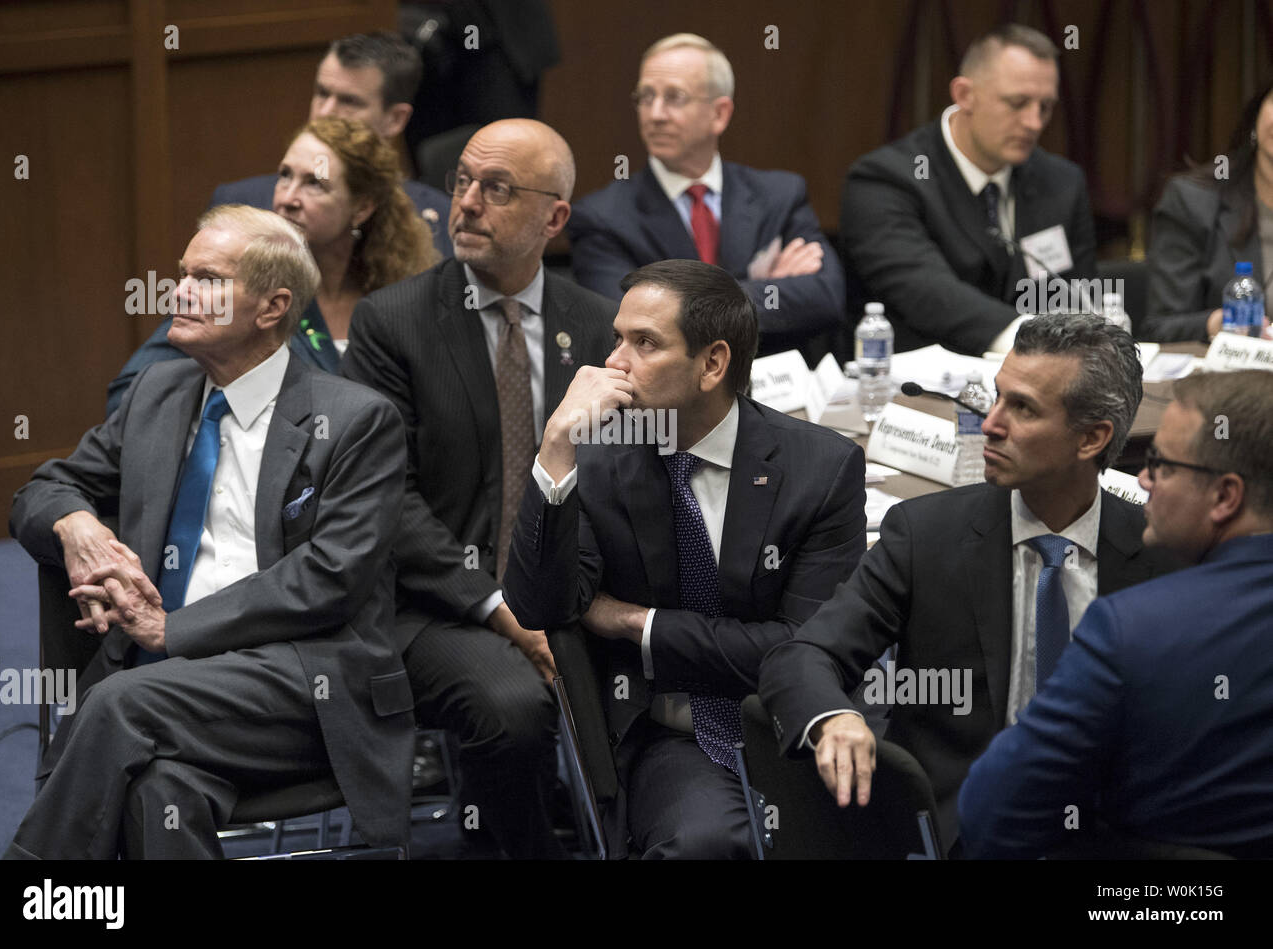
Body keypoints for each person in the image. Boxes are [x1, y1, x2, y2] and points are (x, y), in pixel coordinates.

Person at [5, 206, 413, 858]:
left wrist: (171, 629)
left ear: (272, 306)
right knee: (157, 792)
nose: (180, 291)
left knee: (113, 707)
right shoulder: (159, 394)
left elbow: (330, 578)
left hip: (300, 681)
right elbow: (41, 490)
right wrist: (77, 525)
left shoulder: (357, 420)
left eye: (208, 279)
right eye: (182, 273)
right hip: (170, 687)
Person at [757, 314, 1176, 852]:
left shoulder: (1161, 554)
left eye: (1022, 408)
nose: (990, 423)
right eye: (996, 397)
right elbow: (802, 656)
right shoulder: (926, 534)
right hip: (965, 829)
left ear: (1092, 438)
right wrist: (834, 717)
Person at [503, 259, 867, 858]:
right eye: (617, 338)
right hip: (676, 735)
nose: (614, 362)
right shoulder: (600, 457)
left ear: (713, 364)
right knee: (707, 843)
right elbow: (542, 604)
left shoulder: (820, 470)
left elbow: (803, 650)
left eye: (644, 343)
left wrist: (637, 623)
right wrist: (555, 446)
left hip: (799, 721)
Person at [340, 119, 616, 859]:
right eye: (463, 181)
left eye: (497, 190)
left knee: (668, 659)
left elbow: (621, 487)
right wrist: (499, 610)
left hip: (566, 590)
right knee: (512, 705)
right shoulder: (393, 323)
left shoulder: (595, 326)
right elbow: (385, 502)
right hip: (432, 605)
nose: (466, 203)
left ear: (553, 217)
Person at [959, 370, 1273, 859]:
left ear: (1225, 497)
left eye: (1160, 464)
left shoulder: (1133, 629)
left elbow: (994, 812)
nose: (1143, 480)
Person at [107, 117, 439, 415]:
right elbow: (127, 398)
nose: (287, 198)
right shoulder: (246, 288)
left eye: (314, 184)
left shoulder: (401, 299)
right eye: (285, 176)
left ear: (362, 207)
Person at [567, 33, 845, 355]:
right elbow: (627, 322)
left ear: (720, 114)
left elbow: (826, 296)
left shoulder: (779, 194)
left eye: (674, 97)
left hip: (776, 388)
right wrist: (762, 287)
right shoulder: (603, 217)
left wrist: (683, 306)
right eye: (646, 97)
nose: (655, 114)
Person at [841, 24, 1097, 356]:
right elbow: (928, 294)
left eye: (1045, 107)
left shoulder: (1062, 182)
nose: (1034, 123)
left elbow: (1076, 297)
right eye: (1017, 103)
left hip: (1042, 386)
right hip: (918, 391)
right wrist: (1034, 344)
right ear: (964, 95)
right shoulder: (885, 179)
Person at [213, 31, 452, 256]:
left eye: (349, 101)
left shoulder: (438, 219)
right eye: (322, 93)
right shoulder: (239, 204)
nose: (326, 112)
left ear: (395, 119)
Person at [1145, 81, 1273, 342]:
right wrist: (1217, 323)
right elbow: (1160, 326)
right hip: (1223, 377)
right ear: (1258, 111)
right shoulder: (1192, 201)